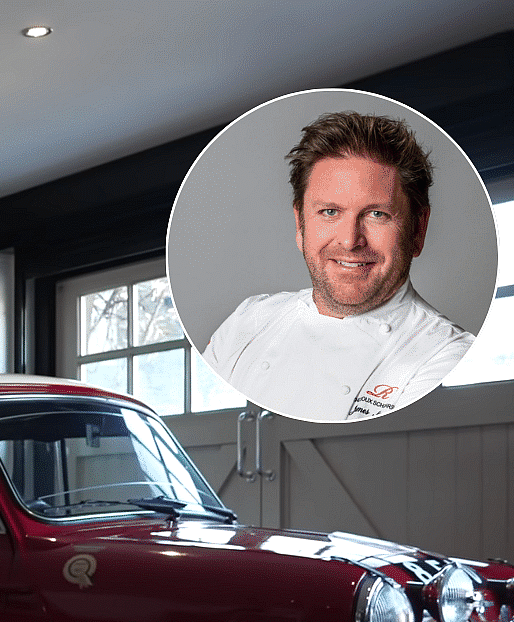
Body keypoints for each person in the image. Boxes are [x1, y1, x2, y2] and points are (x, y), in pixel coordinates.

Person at [203, 111, 474, 422]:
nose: (349, 241)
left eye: (377, 215)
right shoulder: (247, 321)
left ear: (418, 229)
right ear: (300, 224)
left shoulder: (447, 356)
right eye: (330, 211)